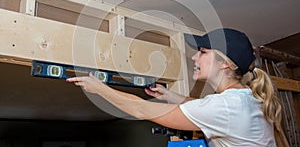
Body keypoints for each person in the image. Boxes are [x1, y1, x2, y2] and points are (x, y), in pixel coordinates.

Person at [66, 28, 287, 147]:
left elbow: (141, 110)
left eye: (202, 52)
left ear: (224, 63)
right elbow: (205, 108)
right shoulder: (242, 99)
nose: (194, 56)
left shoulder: (226, 106)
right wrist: (171, 96)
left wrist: (100, 89)